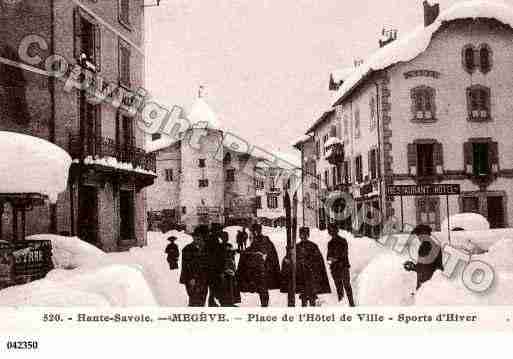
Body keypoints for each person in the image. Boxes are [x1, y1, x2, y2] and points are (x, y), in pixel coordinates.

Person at [281, 226, 331, 306]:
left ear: (308, 235)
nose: (303, 236)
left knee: (312, 298)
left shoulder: (313, 246)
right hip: (301, 277)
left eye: (305, 234)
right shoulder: (296, 247)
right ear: (299, 235)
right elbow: (289, 259)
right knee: (303, 298)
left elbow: (318, 262)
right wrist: (288, 256)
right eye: (301, 234)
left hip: (311, 277)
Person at [237, 223, 281, 307]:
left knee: (262, 288)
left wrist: (247, 253)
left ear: (255, 232)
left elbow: (260, 252)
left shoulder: (263, 240)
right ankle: (264, 304)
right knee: (261, 288)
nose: (251, 234)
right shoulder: (260, 240)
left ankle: (264, 305)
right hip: (261, 269)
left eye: (252, 232)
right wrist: (245, 252)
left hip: (263, 269)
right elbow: (252, 249)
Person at [404, 224, 444, 290]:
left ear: (424, 235)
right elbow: (429, 265)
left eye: (418, 235)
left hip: (426, 284)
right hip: (431, 282)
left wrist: (414, 267)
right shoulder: (434, 245)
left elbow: (424, 267)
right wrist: (414, 267)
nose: (419, 238)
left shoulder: (426, 245)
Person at [327, 223, 355, 306]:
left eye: (333, 230)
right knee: (339, 287)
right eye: (330, 231)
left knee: (347, 286)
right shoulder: (330, 243)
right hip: (335, 268)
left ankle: (352, 304)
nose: (331, 232)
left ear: (336, 230)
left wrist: (334, 259)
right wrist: (332, 259)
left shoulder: (343, 241)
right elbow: (328, 257)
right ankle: (341, 303)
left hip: (343, 267)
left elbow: (344, 254)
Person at [179, 227, 209, 306]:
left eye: (200, 237)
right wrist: (191, 278)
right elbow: (186, 266)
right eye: (196, 237)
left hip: (203, 279)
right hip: (191, 280)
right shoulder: (187, 249)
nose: (198, 239)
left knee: (202, 300)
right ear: (193, 237)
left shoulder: (206, 248)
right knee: (194, 300)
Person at [219, 231, 241, 306]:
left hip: (231, 268)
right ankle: (225, 302)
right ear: (221, 238)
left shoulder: (229, 245)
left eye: (227, 237)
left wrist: (234, 252)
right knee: (225, 286)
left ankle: (231, 301)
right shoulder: (220, 246)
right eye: (224, 237)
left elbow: (231, 254)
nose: (226, 238)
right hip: (224, 268)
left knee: (232, 285)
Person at [205, 223, 224, 307]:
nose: (221, 232)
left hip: (211, 267)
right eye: (219, 230)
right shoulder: (214, 240)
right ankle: (212, 301)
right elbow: (217, 254)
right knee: (214, 285)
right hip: (214, 268)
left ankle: (212, 301)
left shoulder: (211, 239)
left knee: (212, 285)